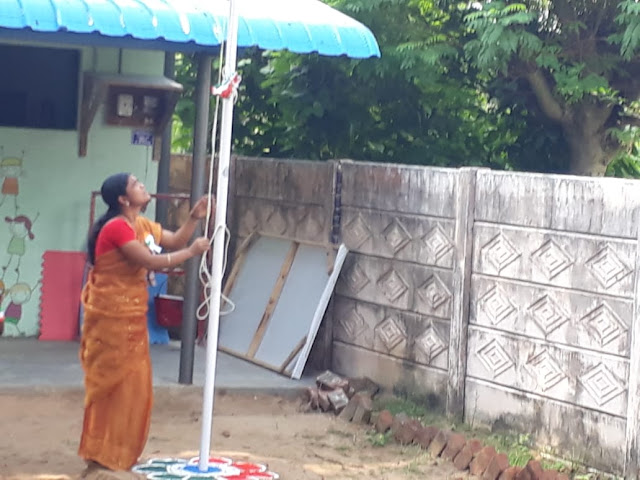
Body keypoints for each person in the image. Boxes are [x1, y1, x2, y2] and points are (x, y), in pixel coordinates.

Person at [78, 172, 212, 479]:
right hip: (111, 319)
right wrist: (191, 253)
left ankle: (117, 454)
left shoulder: (140, 224)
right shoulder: (117, 227)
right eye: (135, 184)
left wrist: (194, 217)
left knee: (133, 389)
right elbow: (150, 261)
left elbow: (174, 240)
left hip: (132, 317)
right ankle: (102, 455)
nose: (142, 186)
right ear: (123, 199)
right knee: (112, 388)